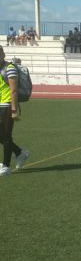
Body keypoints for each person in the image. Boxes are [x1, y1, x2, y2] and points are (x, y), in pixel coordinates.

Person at [0, 48, 30, 176]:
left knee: (6, 136)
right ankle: (19, 153)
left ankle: (5, 166)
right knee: (2, 136)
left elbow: (13, 90)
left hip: (7, 105)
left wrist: (14, 110)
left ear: (3, 54)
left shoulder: (10, 68)